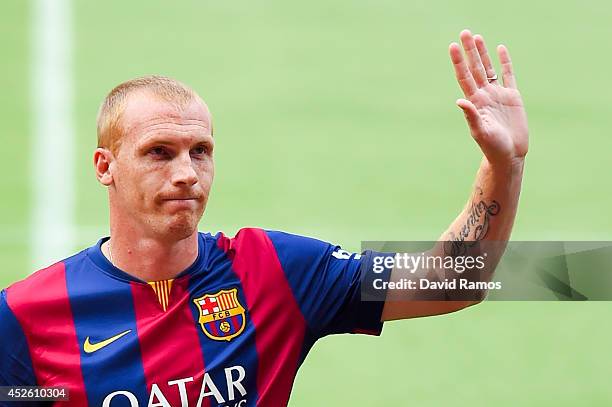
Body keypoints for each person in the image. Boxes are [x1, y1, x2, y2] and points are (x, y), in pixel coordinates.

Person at [0, 30, 528, 406]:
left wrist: (502, 164)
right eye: (160, 151)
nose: (187, 173)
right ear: (105, 166)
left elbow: (451, 281)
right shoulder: (26, 316)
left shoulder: (275, 272)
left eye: (200, 151)